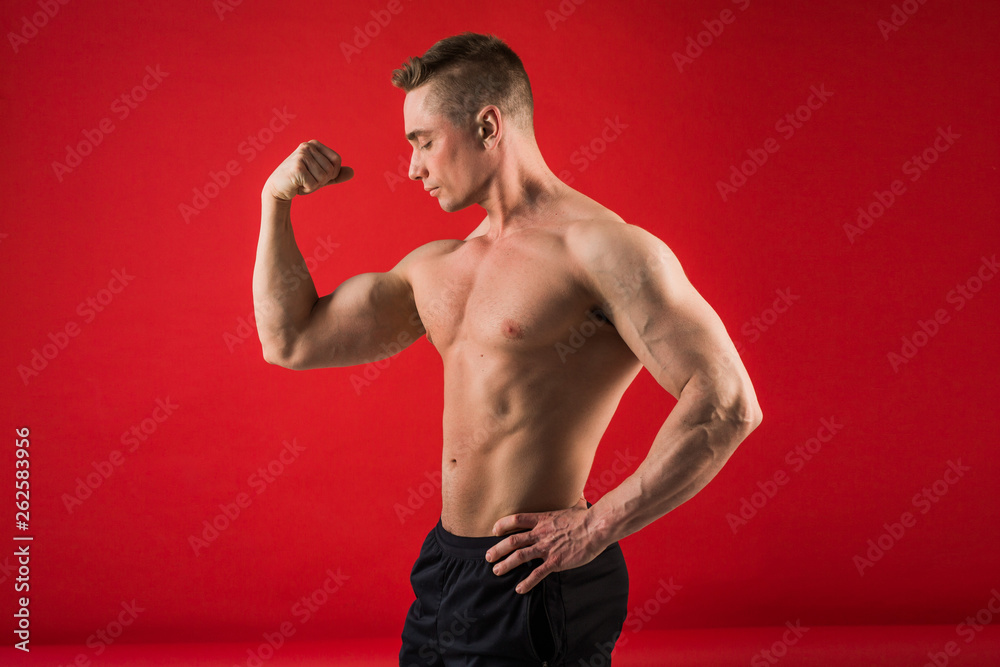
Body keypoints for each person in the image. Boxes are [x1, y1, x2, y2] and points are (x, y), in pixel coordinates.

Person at [252, 31, 761, 667]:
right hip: (446, 570)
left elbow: (727, 402)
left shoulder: (603, 250)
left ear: (489, 125)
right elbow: (290, 340)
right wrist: (275, 201)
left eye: (425, 142)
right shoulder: (439, 267)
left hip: (536, 577)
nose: (413, 168)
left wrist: (598, 526)